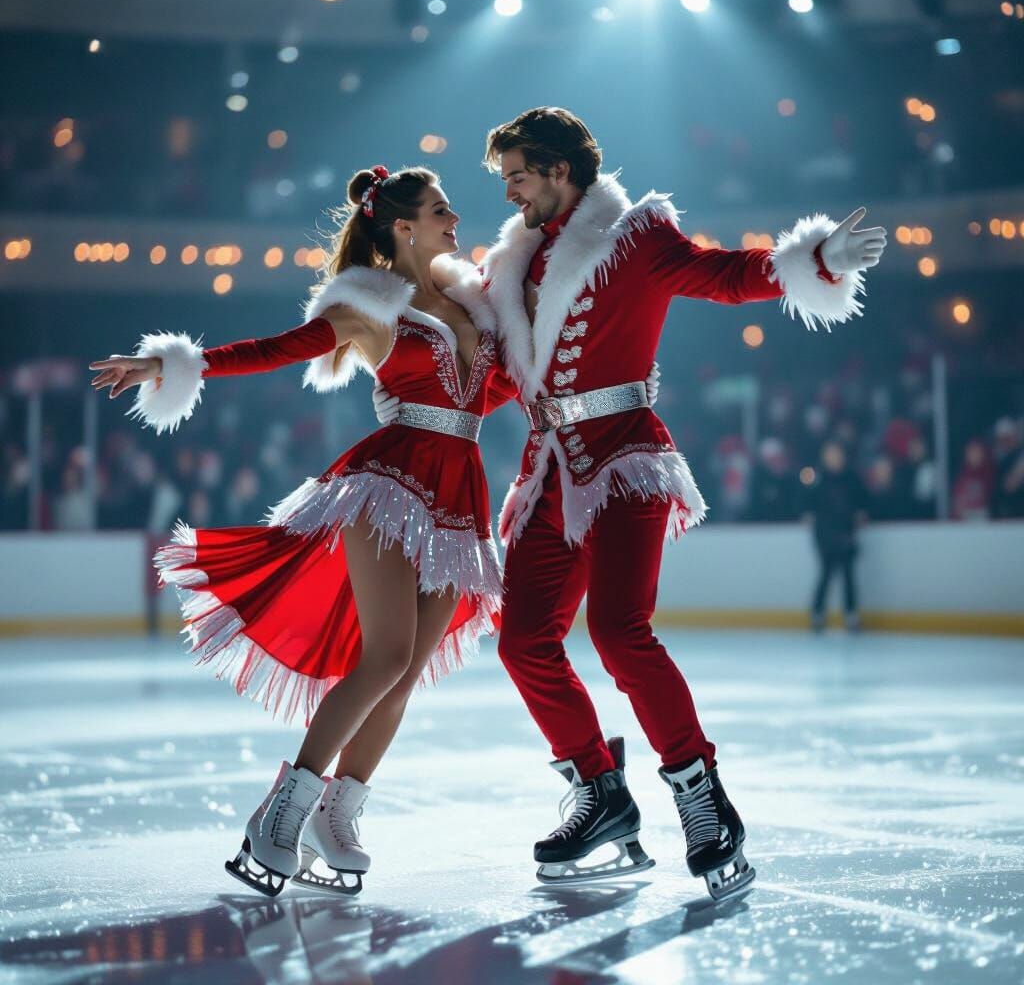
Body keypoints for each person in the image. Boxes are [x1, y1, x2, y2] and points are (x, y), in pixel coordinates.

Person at [376, 107, 886, 902]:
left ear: (558, 170)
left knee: (619, 630)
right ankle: (602, 794)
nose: (508, 194)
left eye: (516, 176)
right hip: (548, 472)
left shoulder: (635, 236)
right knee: (524, 642)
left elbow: (721, 276)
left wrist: (812, 258)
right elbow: (515, 375)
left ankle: (701, 798)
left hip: (626, 462)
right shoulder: (516, 266)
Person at [89, 166, 517, 898]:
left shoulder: (478, 306)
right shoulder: (370, 308)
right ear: (403, 226)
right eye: (441, 211)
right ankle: (280, 812)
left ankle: (337, 813)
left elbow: (495, 390)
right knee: (385, 656)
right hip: (388, 483)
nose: (456, 221)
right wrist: (172, 362)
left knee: (407, 673)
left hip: (460, 496)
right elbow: (274, 349)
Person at [806, 440, 869, 632]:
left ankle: (851, 614)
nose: (833, 458)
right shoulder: (817, 479)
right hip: (824, 534)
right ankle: (818, 613)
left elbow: (862, 500)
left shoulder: (851, 477)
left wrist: (861, 512)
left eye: (836, 453)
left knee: (848, 575)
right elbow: (806, 503)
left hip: (846, 532)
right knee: (825, 573)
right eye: (830, 454)